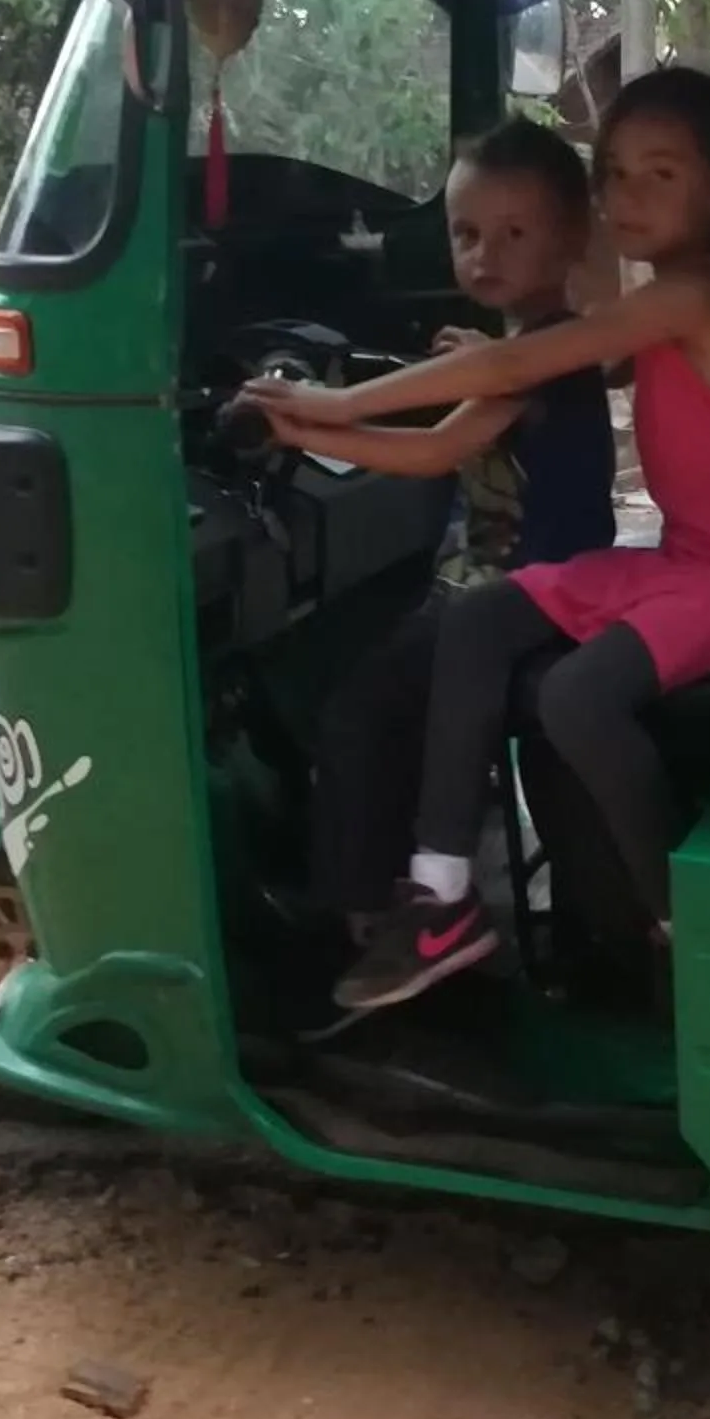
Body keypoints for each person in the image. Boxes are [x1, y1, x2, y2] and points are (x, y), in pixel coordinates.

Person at [251, 65, 710, 1013]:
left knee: (578, 698)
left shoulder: (703, 294)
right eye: (616, 174)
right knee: (481, 621)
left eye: (658, 175)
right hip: (691, 564)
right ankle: (440, 895)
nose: (627, 194)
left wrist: (333, 401)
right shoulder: (667, 305)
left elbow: (528, 358)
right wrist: (312, 425)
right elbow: (526, 371)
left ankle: (678, 921)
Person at [272, 117, 618, 935]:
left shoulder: (544, 354)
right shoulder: (536, 343)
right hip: (529, 587)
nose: (484, 255)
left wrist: (305, 426)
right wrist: (469, 352)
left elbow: (435, 451)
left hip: (512, 603)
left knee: (357, 707)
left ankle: (363, 920)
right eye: (466, 234)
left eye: (513, 233)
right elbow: (488, 387)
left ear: (570, 239)